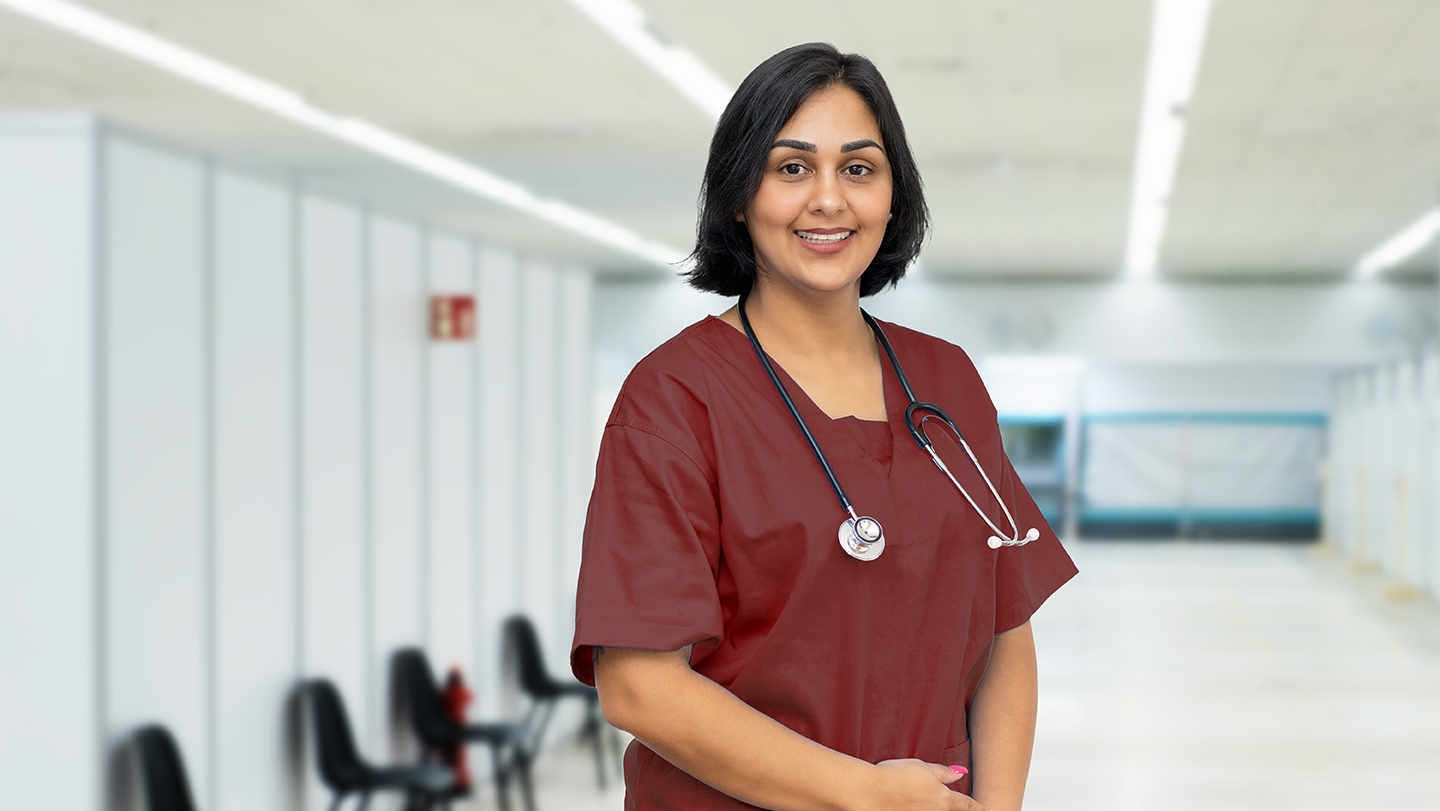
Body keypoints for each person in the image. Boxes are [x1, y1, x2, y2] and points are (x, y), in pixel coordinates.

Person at [570, 42, 1078, 811]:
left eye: (860, 168)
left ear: (893, 196)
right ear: (740, 194)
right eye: (793, 167)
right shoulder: (674, 398)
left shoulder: (947, 385)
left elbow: (1006, 632)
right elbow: (639, 685)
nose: (830, 200)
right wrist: (863, 794)